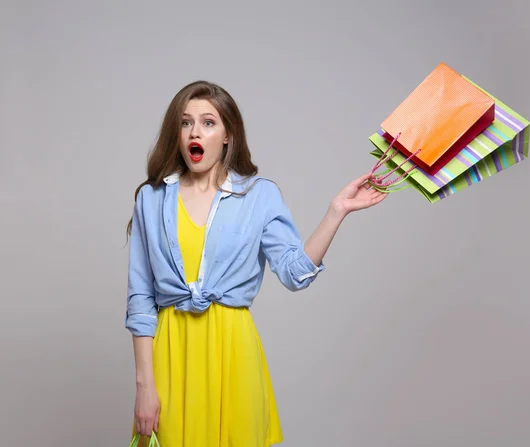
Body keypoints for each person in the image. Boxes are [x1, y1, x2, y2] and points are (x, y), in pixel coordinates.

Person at [125, 80, 387, 446]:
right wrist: (144, 385)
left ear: (228, 134)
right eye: (186, 123)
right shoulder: (150, 199)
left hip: (234, 355)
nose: (195, 132)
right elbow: (140, 300)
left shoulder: (259, 196)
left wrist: (336, 212)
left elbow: (295, 274)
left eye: (208, 122)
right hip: (171, 354)